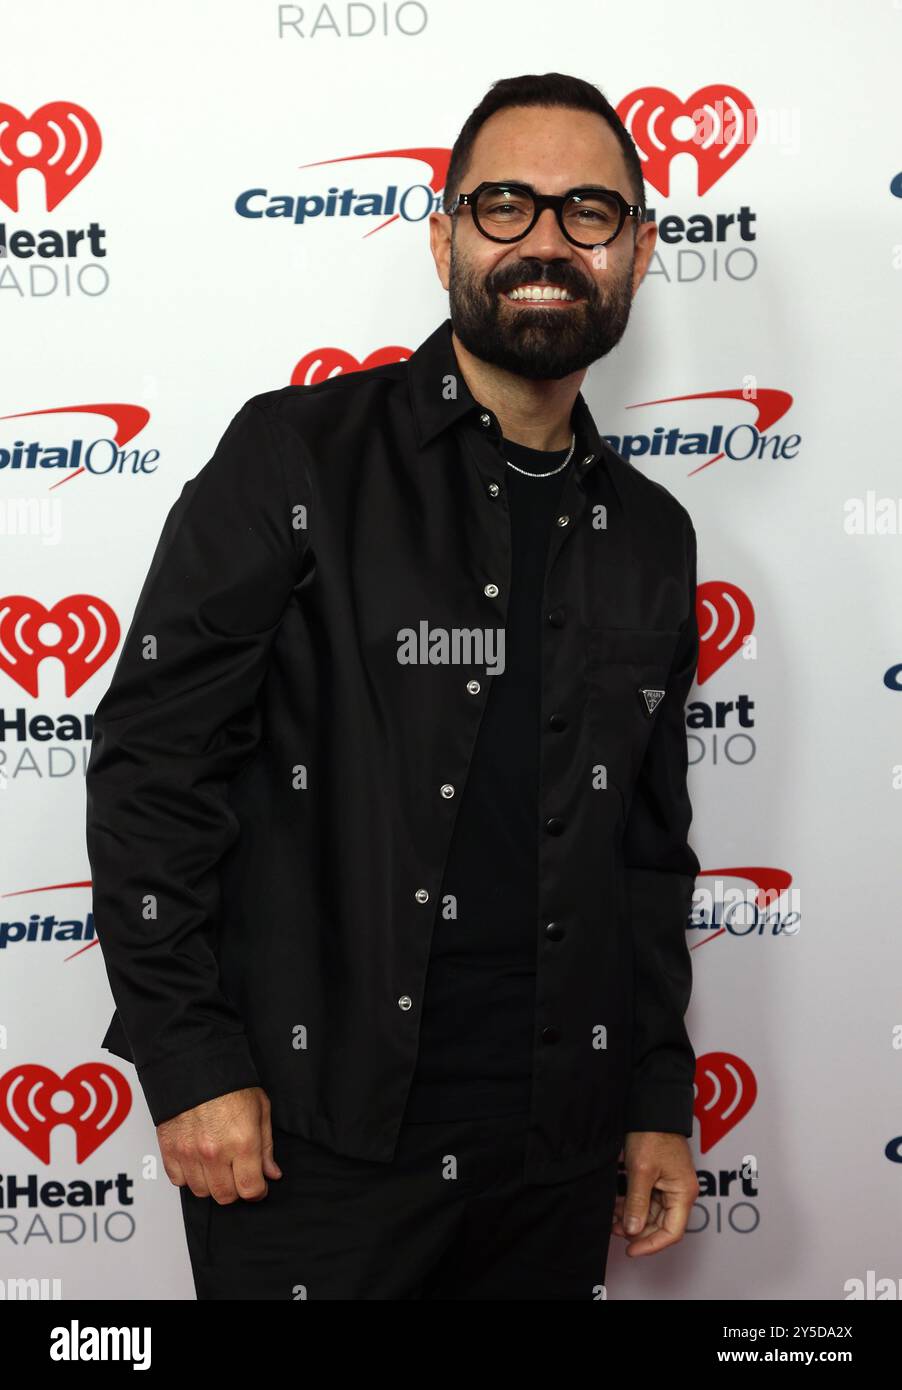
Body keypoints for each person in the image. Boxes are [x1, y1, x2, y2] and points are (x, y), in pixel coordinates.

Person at [85, 71, 702, 1301]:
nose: (543, 241)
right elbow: (152, 764)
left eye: (586, 211)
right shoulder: (294, 456)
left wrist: (651, 1095)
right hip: (313, 1151)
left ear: (635, 249)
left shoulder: (651, 535)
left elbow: (643, 852)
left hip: (552, 1155)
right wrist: (191, 1060)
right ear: (442, 235)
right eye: (503, 206)